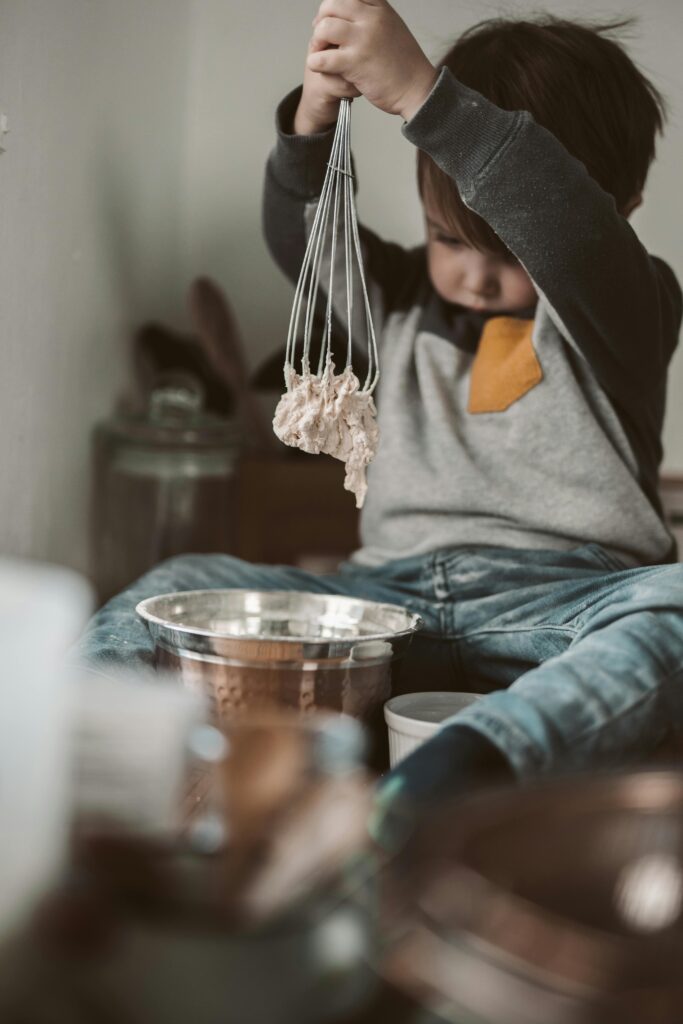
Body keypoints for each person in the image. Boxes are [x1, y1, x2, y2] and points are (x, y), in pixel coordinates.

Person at [79, 4, 682, 813]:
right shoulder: (393, 300)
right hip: (380, 616)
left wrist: (428, 101)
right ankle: (87, 735)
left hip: (562, 610)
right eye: (448, 239)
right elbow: (300, 234)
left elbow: (568, 232)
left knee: (672, 612)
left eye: (504, 250)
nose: (473, 276)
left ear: (624, 207)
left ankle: (469, 762)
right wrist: (312, 121)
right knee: (181, 583)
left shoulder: (623, 305)